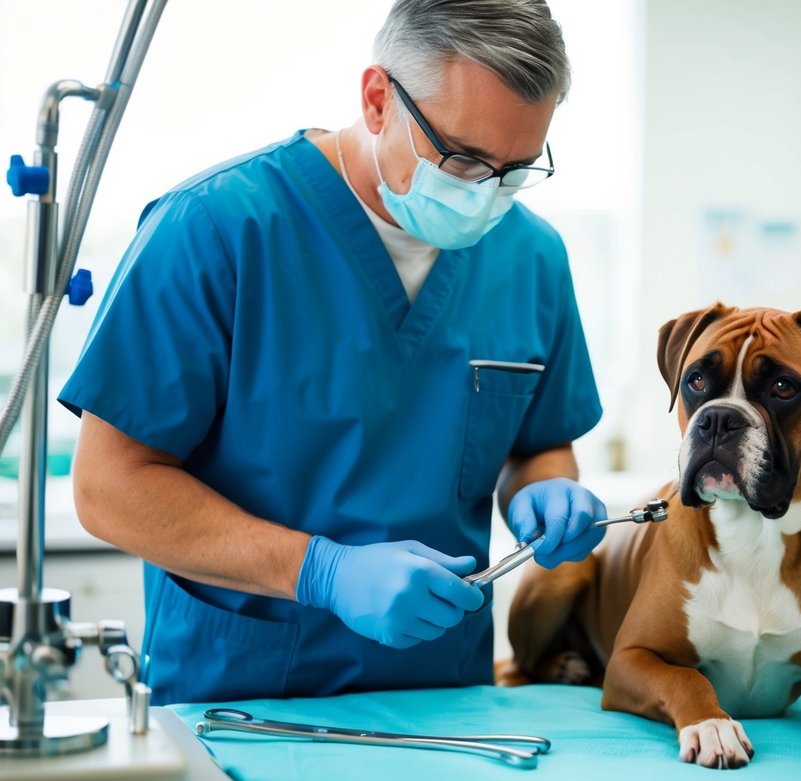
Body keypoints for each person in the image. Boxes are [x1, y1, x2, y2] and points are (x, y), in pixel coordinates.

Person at [58, 0, 608, 704]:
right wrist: (320, 572)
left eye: (514, 169)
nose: (484, 195)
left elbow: (538, 445)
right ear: (377, 99)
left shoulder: (530, 256)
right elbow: (110, 488)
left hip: (448, 702)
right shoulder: (216, 229)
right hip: (243, 696)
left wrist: (543, 492)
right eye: (464, 158)